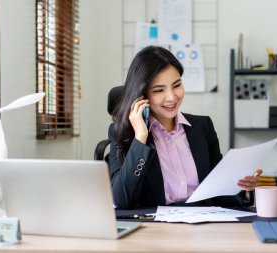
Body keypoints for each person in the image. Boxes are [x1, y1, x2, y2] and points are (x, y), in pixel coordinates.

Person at [108, 46, 262, 210]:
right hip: (155, 228)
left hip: (204, 224)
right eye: (159, 90)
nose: (172, 97)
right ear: (142, 96)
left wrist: (239, 184)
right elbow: (121, 200)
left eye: (176, 85)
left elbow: (219, 195)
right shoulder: (124, 133)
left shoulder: (203, 127)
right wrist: (140, 137)